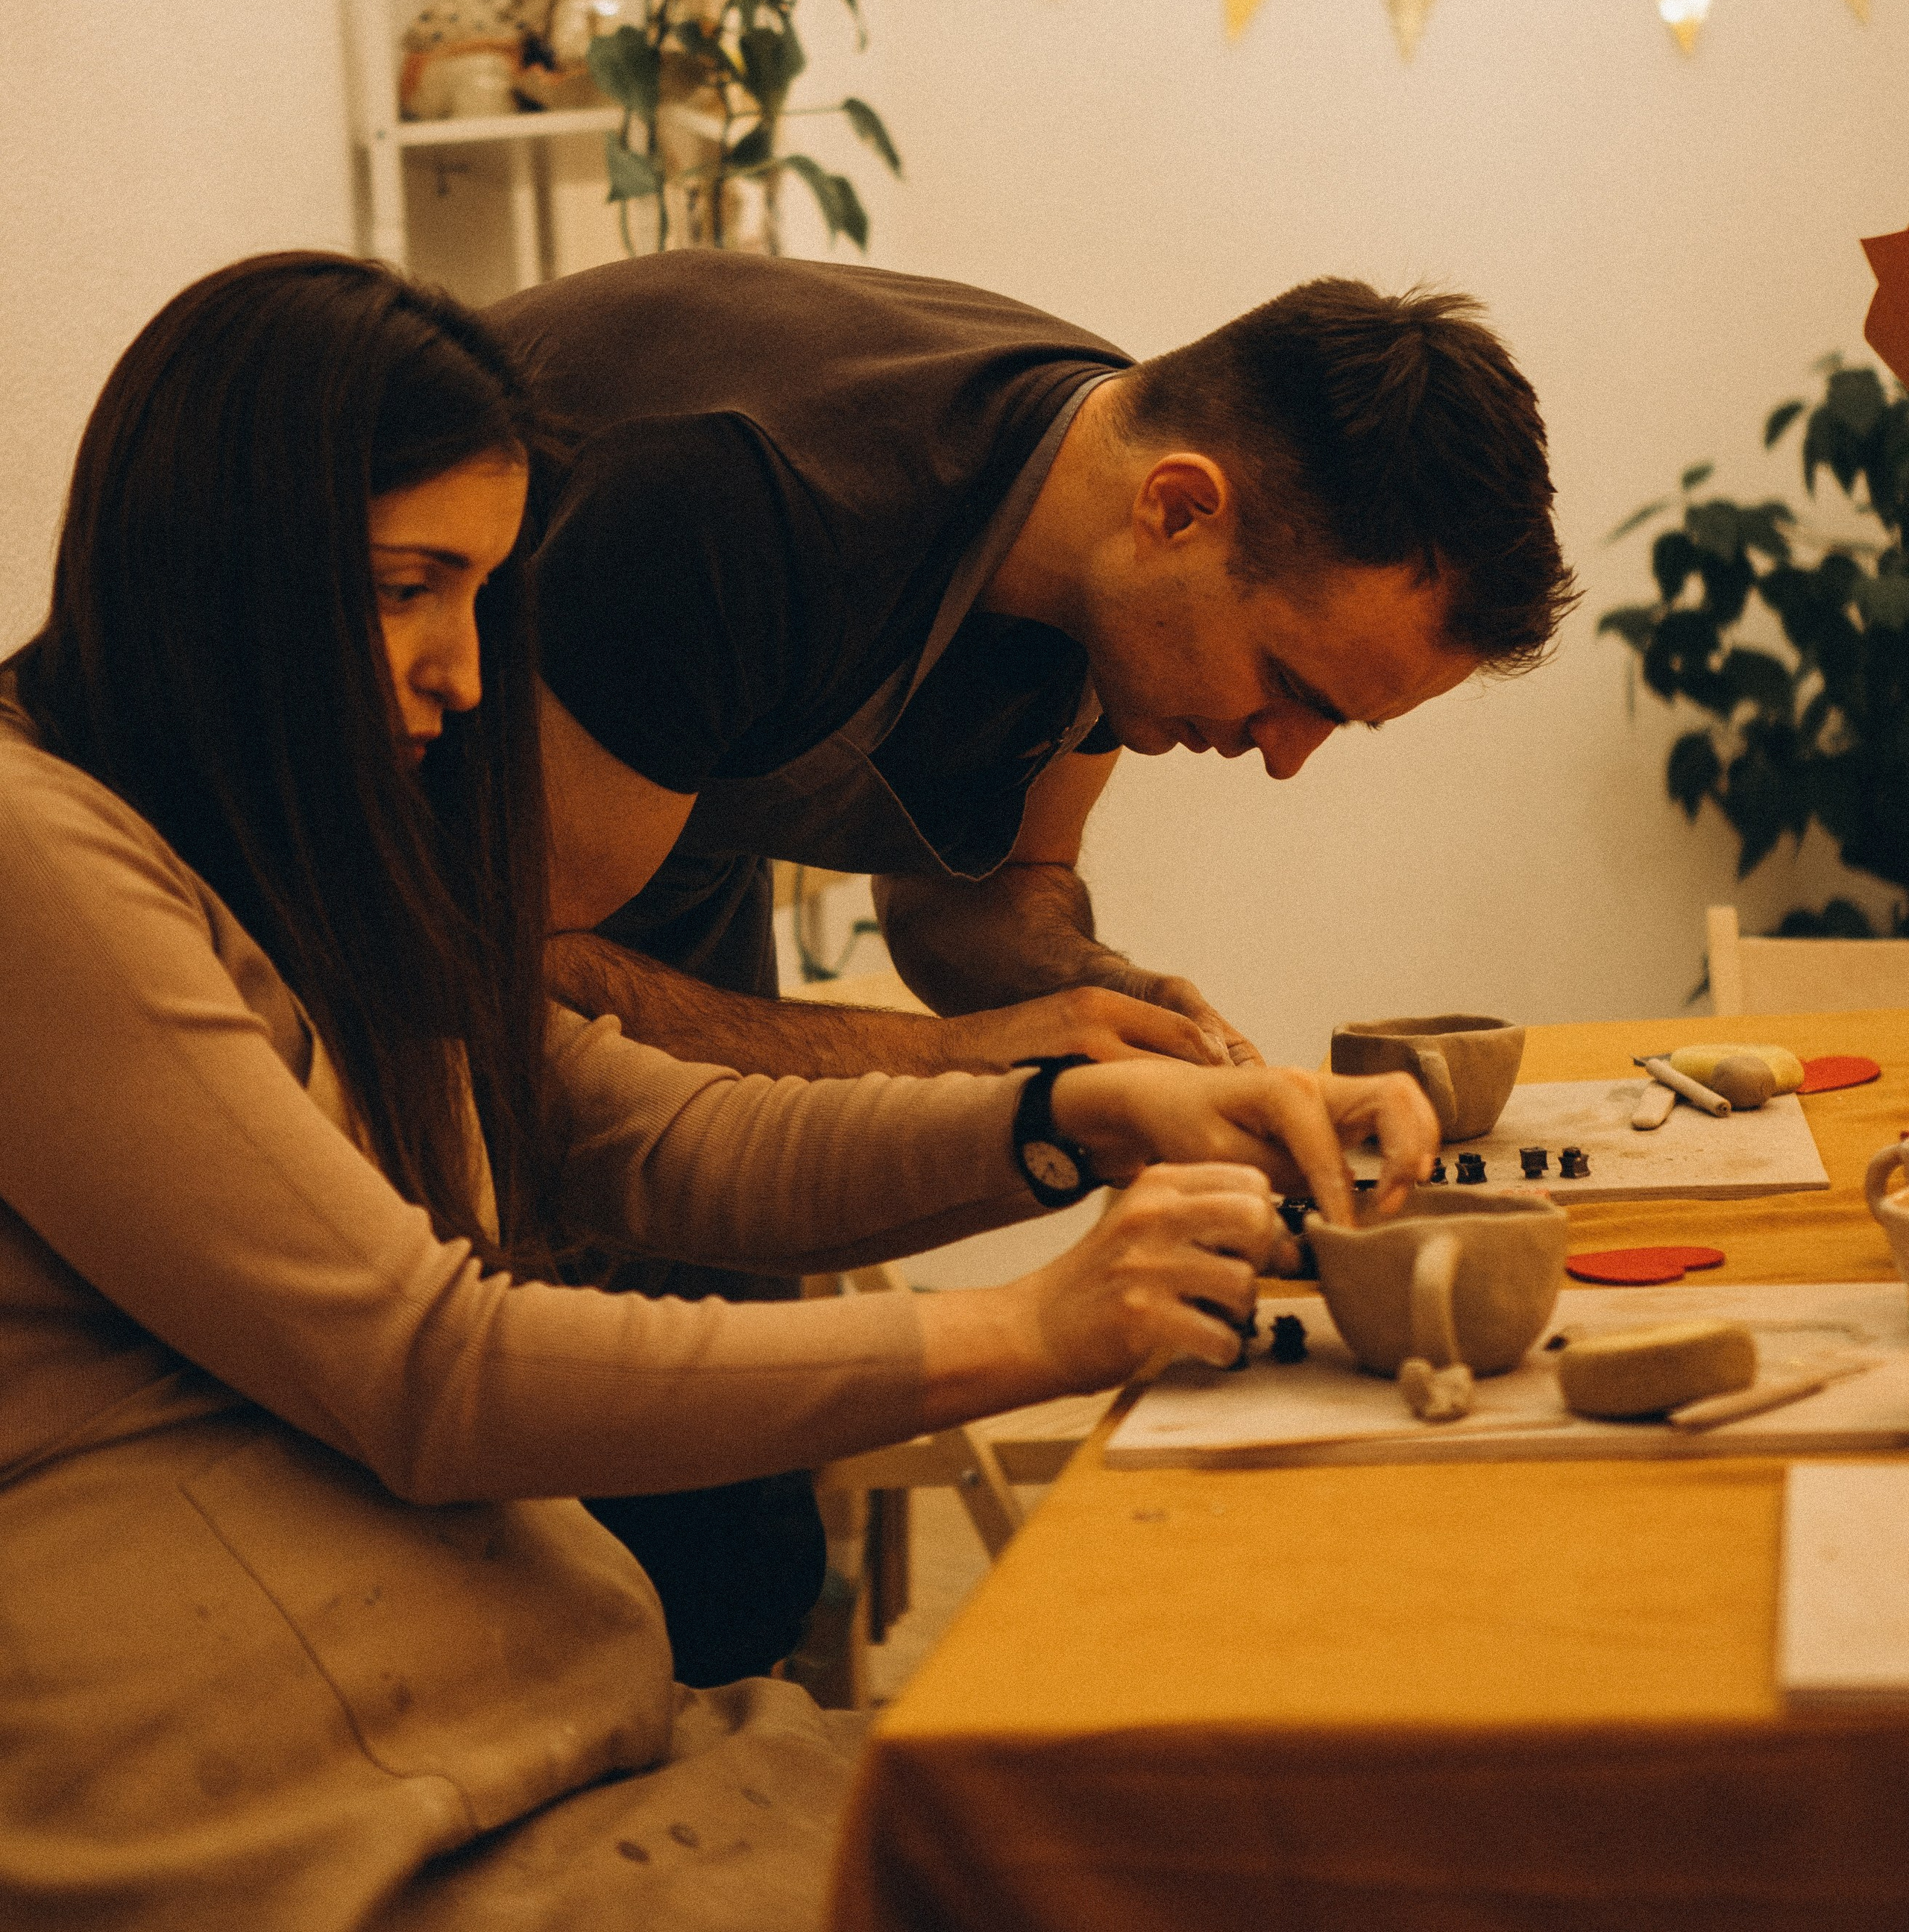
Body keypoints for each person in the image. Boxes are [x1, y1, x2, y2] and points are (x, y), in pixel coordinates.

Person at [0, 251, 1438, 1931]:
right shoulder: (40, 857)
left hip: (544, 1736)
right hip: (312, 1814)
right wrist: (1035, 1333)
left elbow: (638, 1126)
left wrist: (1072, 1116)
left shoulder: (276, 842)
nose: (464, 678)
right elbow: (427, 1363)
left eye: (476, 597)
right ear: (208, 573)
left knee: (1221, 1832)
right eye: (407, 588)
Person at [488, 254, 1573, 1681]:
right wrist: (981, 1060)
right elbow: (519, 973)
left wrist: (1102, 1008)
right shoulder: (738, 508)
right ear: (1180, 511)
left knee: (735, 1537)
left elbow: (982, 912)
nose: (1285, 755)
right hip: (375, 896)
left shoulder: (1103, 541)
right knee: (578, 1537)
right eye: (1293, 687)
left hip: (657, 842)